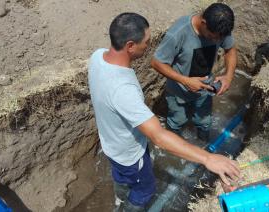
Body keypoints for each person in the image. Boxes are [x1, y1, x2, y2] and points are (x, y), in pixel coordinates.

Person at [88, 12, 240, 211]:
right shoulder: (123, 90)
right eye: (146, 42)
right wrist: (207, 158)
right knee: (145, 191)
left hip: (111, 145)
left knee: (123, 179)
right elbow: (158, 137)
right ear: (130, 46)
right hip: (130, 155)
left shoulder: (97, 56)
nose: (149, 46)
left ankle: (121, 197)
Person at [151, 3, 237, 141]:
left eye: (219, 38)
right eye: (212, 37)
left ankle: (203, 146)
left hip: (206, 88)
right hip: (178, 91)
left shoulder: (219, 30)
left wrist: (229, 76)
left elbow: (230, 49)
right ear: (203, 23)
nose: (216, 41)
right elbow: (156, 62)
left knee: (204, 123)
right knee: (177, 122)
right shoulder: (179, 32)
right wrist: (185, 81)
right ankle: (175, 152)